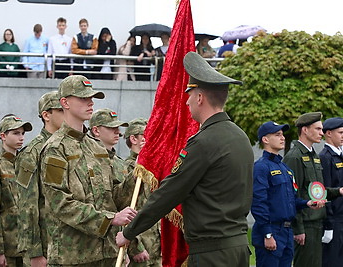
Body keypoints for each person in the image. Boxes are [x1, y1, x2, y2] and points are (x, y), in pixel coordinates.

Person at [116, 51, 254, 267]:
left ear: (200, 98)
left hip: (212, 254)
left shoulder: (204, 141)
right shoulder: (240, 137)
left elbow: (169, 192)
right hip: (237, 249)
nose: (187, 101)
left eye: (190, 94)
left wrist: (129, 232)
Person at [39, 75, 137, 266]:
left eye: (91, 98)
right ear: (65, 102)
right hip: (73, 256)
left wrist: (137, 174)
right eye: (83, 98)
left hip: (106, 253)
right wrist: (110, 219)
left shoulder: (97, 148)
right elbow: (59, 203)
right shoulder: (55, 148)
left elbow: (114, 197)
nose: (90, 102)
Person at [252, 121, 324, 267]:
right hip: (272, 231)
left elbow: (291, 200)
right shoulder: (261, 167)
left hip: (286, 231)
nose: (283, 138)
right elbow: (259, 202)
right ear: (265, 139)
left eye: (283, 135)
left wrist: (307, 203)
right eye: (277, 135)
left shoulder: (285, 168)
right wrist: (267, 234)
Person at [283, 112, 343, 267]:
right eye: (317, 129)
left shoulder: (313, 155)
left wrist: (338, 191)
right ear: (305, 130)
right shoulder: (294, 156)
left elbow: (318, 190)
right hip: (306, 225)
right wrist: (298, 229)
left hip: (317, 222)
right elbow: (291, 195)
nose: (322, 133)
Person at [16, 91, 63, 267]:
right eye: (61, 110)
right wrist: (34, 252)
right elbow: (27, 205)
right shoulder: (32, 152)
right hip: (45, 245)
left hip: (67, 245)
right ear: (46, 115)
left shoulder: (69, 146)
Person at [0, 115, 32, 267]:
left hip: (25, 246)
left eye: (22, 133)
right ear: (3, 136)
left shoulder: (26, 165)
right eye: (15, 133)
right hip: (5, 246)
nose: (21, 137)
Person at [124, 118, 162, 267]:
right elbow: (125, 209)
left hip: (156, 242)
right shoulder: (127, 168)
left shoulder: (154, 169)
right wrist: (135, 247)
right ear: (134, 139)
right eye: (147, 135)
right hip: (141, 245)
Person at [319, 117, 343, 267]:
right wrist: (328, 225)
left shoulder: (340, 155)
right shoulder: (325, 157)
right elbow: (325, 191)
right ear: (328, 133)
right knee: (333, 261)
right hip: (335, 221)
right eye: (340, 132)